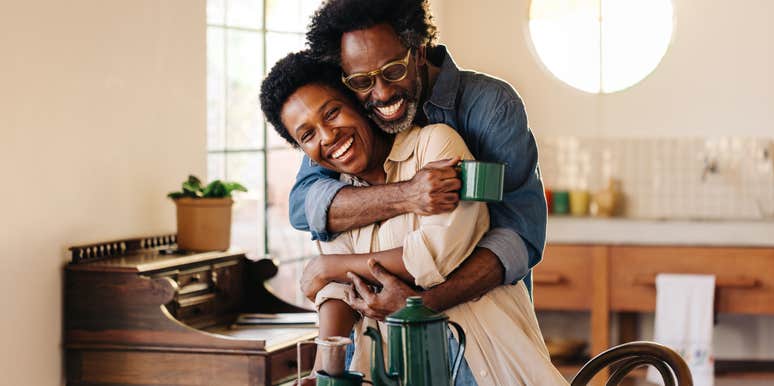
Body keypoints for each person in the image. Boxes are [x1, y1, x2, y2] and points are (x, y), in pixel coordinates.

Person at [259, 50, 567, 386]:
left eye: (332, 113)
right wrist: (323, 373)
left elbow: (435, 255)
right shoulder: (336, 196)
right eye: (307, 135)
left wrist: (329, 266)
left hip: (483, 358)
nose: (327, 136)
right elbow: (338, 291)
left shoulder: (436, 143)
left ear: (357, 102)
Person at [292, 0, 548, 322]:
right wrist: (407, 194)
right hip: (379, 336)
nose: (382, 94)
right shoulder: (353, 114)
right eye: (362, 81)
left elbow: (519, 235)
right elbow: (303, 206)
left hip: (483, 330)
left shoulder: (491, 106)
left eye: (394, 71)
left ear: (420, 51)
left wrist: (422, 305)